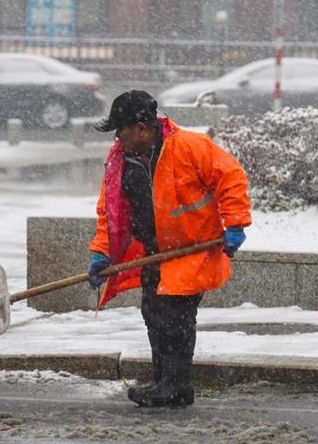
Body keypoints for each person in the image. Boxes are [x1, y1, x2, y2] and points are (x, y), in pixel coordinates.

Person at [87, 90, 252, 408]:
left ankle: (176, 386)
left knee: (174, 317)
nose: (118, 137)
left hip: (191, 250)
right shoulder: (122, 162)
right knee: (153, 313)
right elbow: (112, 213)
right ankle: (163, 381)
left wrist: (235, 224)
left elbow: (231, 177)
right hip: (155, 251)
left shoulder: (190, 146)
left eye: (120, 129)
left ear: (141, 127)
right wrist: (102, 252)